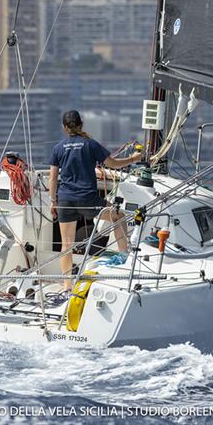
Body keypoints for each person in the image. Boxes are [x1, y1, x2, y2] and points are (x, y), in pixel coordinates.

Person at [48, 110, 141, 296]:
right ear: (81, 124)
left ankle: (67, 286)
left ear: (64, 127)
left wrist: (53, 201)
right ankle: (123, 258)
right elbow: (112, 164)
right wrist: (133, 159)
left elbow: (52, 179)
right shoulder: (90, 144)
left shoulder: (58, 148)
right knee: (118, 216)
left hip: (65, 199)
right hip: (87, 199)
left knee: (66, 245)